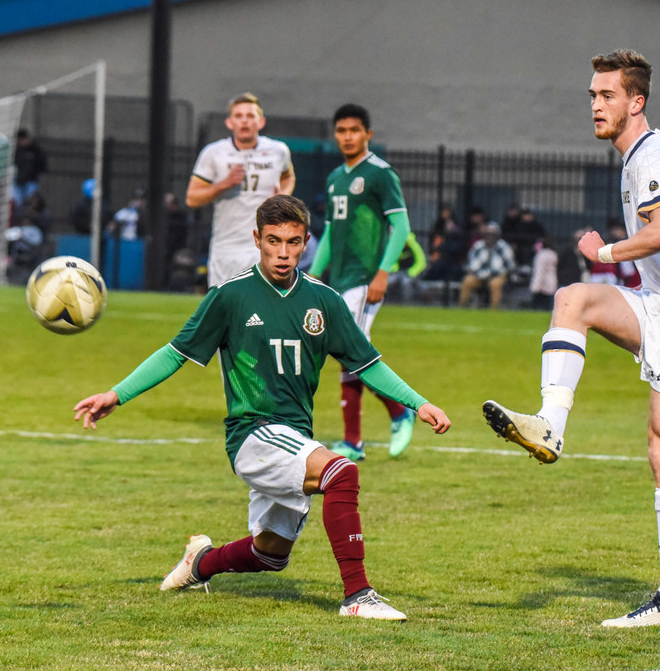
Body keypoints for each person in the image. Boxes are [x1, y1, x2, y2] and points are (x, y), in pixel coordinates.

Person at [73, 194, 450, 620]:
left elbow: (368, 365)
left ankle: (199, 563)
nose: (284, 253)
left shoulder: (324, 302)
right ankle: (358, 597)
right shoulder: (231, 297)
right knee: (342, 473)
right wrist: (115, 394)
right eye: (274, 241)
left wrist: (418, 403)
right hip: (252, 434)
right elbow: (175, 353)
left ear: (307, 241)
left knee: (270, 554)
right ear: (257, 239)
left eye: (293, 242)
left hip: (293, 436)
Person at [482, 49, 660, 628]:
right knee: (574, 299)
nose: (596, 105)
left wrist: (606, 252)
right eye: (593, 95)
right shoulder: (637, 157)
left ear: (636, 101)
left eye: (608, 96)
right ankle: (551, 426)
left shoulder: (650, 155)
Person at [307, 103, 416, 462]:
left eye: (354, 130)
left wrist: (383, 272)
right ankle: (355, 440)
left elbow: (400, 227)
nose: (348, 136)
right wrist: (312, 275)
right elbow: (331, 236)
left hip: (365, 279)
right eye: (341, 131)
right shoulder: (336, 177)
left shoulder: (381, 174)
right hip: (339, 280)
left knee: (351, 353)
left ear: (368, 134)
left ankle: (399, 411)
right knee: (348, 355)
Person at [186, 93, 295, 287]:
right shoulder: (214, 153)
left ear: (261, 122)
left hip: (264, 246)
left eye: (250, 116)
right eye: (238, 116)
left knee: (263, 310)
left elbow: (288, 176)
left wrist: (283, 196)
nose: (245, 121)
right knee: (225, 312)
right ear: (229, 122)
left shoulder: (278, 150)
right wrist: (223, 184)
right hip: (226, 248)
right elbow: (192, 199)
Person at [458, 221, 516, 309]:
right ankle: (462, 307)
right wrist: (477, 272)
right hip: (479, 275)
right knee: (467, 281)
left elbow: (510, 265)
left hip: (497, 275)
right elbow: (471, 261)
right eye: (488, 234)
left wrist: (496, 273)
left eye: (492, 234)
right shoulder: (478, 246)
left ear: (497, 234)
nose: (490, 236)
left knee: (495, 284)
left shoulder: (503, 247)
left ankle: (494, 310)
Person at [12, 128, 48, 206]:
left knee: (30, 201)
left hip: (31, 181)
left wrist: (34, 174)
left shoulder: (35, 150)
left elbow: (42, 164)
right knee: (17, 203)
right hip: (18, 182)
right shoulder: (17, 151)